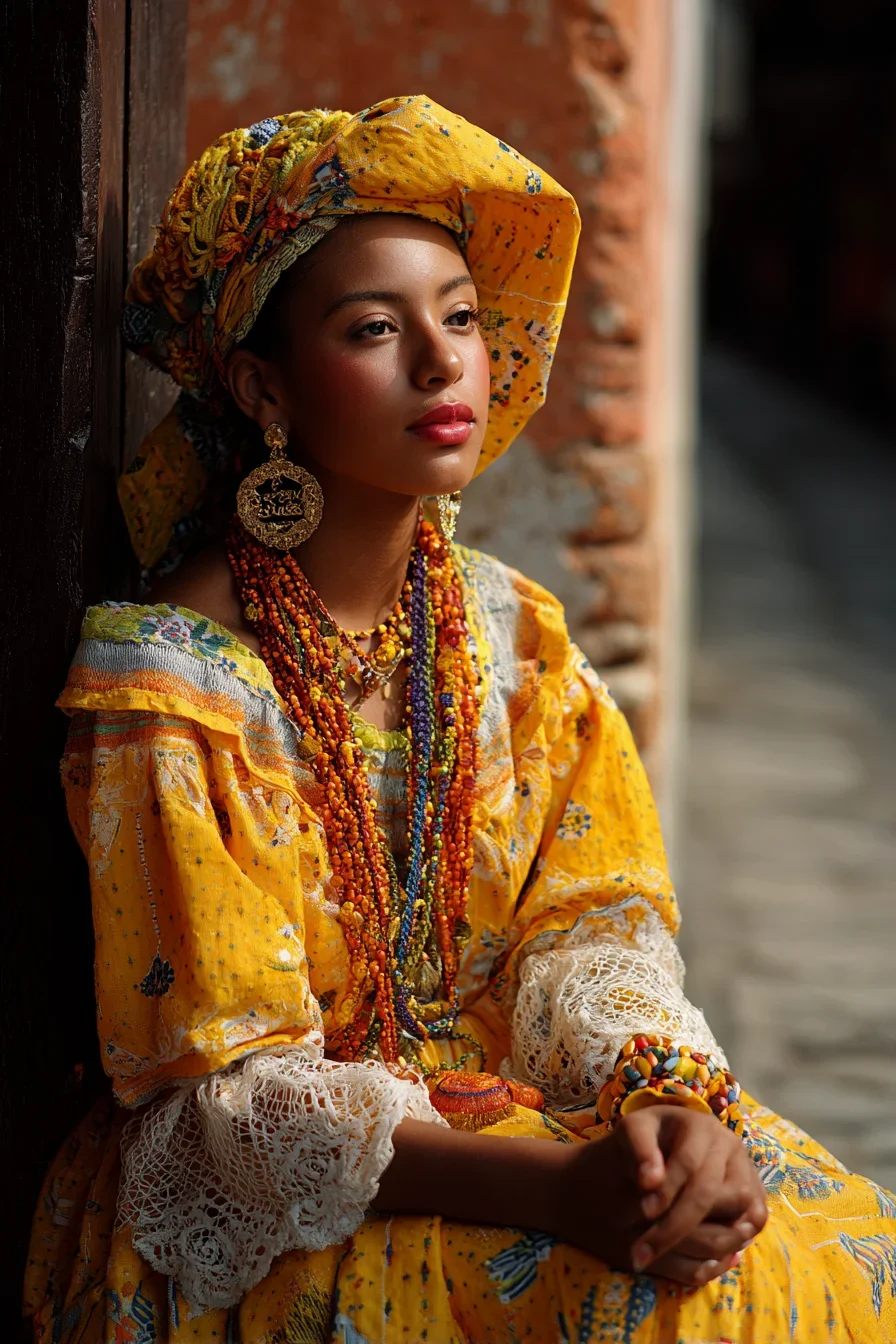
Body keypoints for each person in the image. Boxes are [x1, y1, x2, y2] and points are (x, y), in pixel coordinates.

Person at [24, 95, 896, 1343]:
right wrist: (567, 1190)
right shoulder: (174, 681)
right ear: (264, 384)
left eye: (462, 318)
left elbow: (588, 932)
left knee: (821, 1253)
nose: (442, 365)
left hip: (531, 1125)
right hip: (297, 1208)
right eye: (375, 328)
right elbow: (219, 1106)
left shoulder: (517, 645)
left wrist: (667, 1111)